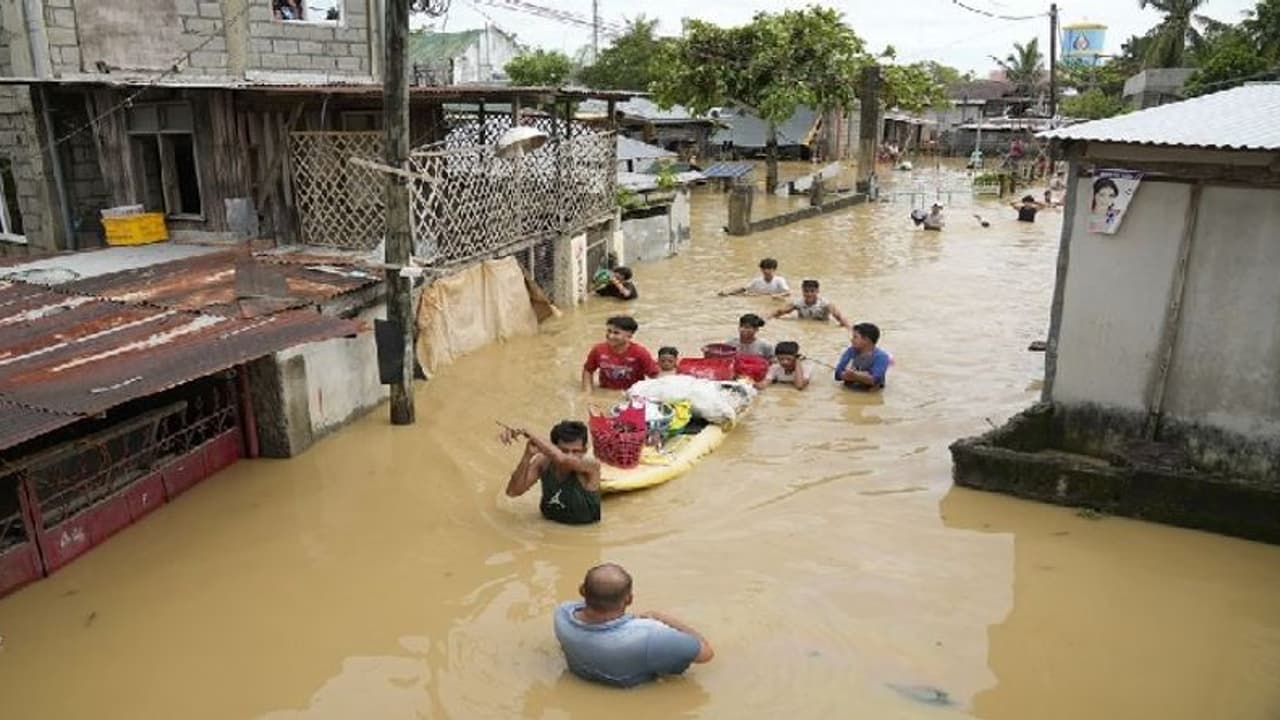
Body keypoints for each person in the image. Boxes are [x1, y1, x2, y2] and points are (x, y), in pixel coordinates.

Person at [554, 563, 714, 687]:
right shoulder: (650, 635)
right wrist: (661, 617)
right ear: (629, 599)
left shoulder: (561, 615)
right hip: (632, 687)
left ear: (582, 590)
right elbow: (706, 654)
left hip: (584, 676)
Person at [502, 422, 601, 525]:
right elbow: (513, 492)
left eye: (576, 451)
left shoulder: (591, 467)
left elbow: (563, 460)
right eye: (564, 450)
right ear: (553, 448)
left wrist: (528, 433)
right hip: (548, 523)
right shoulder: (543, 462)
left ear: (584, 450)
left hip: (583, 531)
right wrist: (527, 455)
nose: (570, 456)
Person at [582, 316, 660, 392]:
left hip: (630, 393)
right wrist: (587, 391)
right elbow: (588, 370)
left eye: (616, 333)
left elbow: (655, 375)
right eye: (609, 331)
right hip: (605, 391)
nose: (610, 336)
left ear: (629, 335)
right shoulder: (598, 349)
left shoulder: (640, 353)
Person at [834, 322, 891, 391]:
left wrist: (853, 375)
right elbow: (837, 374)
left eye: (855, 337)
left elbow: (874, 380)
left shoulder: (882, 357)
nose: (851, 340)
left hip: (870, 395)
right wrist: (863, 376)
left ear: (866, 340)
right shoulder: (850, 351)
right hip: (850, 389)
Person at [772, 279, 850, 328]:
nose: (809, 294)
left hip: (821, 327)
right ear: (802, 291)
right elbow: (778, 312)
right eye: (806, 291)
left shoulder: (825, 304)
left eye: (812, 291)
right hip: (802, 326)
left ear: (817, 291)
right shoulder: (797, 303)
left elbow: (840, 318)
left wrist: (849, 329)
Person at [718, 258, 790, 297]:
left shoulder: (779, 280)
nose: (765, 271)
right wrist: (728, 293)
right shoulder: (756, 281)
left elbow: (787, 293)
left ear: (774, 269)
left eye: (768, 268)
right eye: (763, 268)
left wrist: (776, 296)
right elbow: (743, 289)